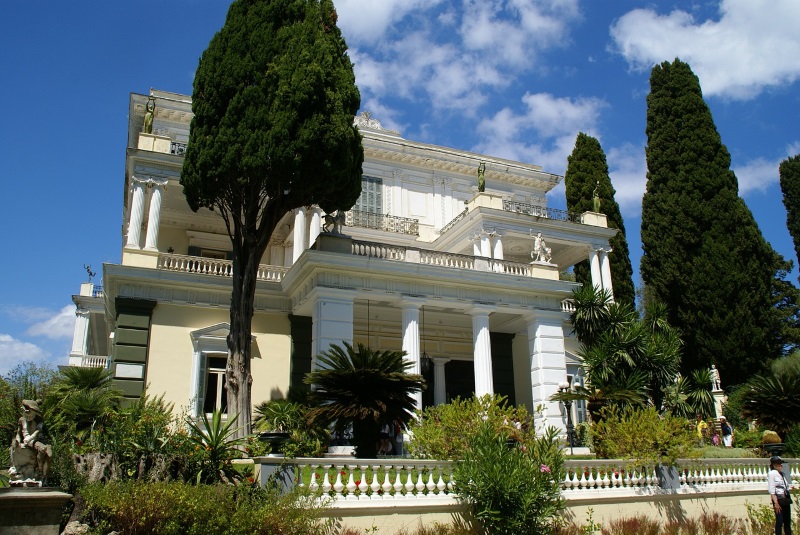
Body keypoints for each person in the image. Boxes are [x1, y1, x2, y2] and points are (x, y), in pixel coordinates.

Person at [769, 455, 792, 534]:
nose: (780, 465)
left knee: (787, 520)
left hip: (785, 498)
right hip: (778, 499)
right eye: (778, 464)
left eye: (781, 463)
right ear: (774, 465)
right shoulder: (772, 473)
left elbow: (787, 485)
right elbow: (772, 490)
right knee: (779, 520)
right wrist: (776, 503)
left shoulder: (783, 473)